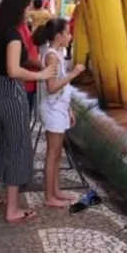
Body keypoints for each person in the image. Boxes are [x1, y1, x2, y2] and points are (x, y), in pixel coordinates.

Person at [0, 0, 56, 224]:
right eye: (28, 7)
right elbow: (13, 69)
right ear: (19, 9)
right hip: (10, 94)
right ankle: (13, 209)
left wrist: (36, 63)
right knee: (17, 146)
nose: (30, 12)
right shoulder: (12, 35)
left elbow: (16, 60)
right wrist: (41, 74)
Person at [32, 18, 85, 208]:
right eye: (68, 32)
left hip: (59, 108)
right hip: (52, 109)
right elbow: (52, 86)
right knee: (52, 154)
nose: (70, 36)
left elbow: (62, 87)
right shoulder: (52, 56)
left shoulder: (58, 54)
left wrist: (68, 108)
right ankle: (49, 196)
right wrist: (74, 74)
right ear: (58, 36)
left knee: (57, 154)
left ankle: (55, 191)